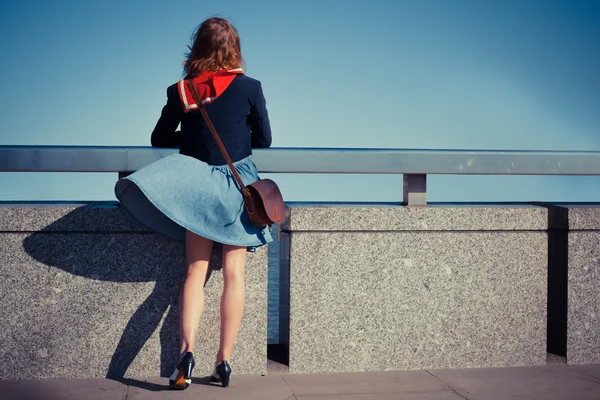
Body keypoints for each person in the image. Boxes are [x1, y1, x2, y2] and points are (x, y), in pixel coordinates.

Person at [114, 16, 273, 389]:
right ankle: (224, 362)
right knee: (234, 275)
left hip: (197, 188)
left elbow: (159, 137)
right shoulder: (250, 86)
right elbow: (264, 138)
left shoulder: (181, 91)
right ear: (234, 50)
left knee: (194, 273)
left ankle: (185, 354)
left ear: (197, 49)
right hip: (238, 187)